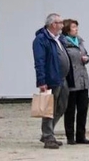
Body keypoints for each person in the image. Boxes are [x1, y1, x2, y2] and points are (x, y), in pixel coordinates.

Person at [33, 13, 71, 149]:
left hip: (63, 78)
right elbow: (39, 61)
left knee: (62, 106)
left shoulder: (60, 38)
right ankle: (48, 136)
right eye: (60, 22)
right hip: (51, 79)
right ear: (52, 24)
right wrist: (41, 81)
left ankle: (48, 132)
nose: (62, 25)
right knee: (49, 108)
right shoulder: (41, 39)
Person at [61, 19, 89, 145]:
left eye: (76, 27)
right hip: (71, 80)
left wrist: (87, 58)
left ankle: (81, 135)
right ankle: (70, 136)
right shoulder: (63, 43)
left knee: (83, 109)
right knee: (70, 110)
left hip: (83, 79)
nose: (76, 29)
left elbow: (86, 55)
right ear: (67, 29)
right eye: (74, 27)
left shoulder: (80, 41)